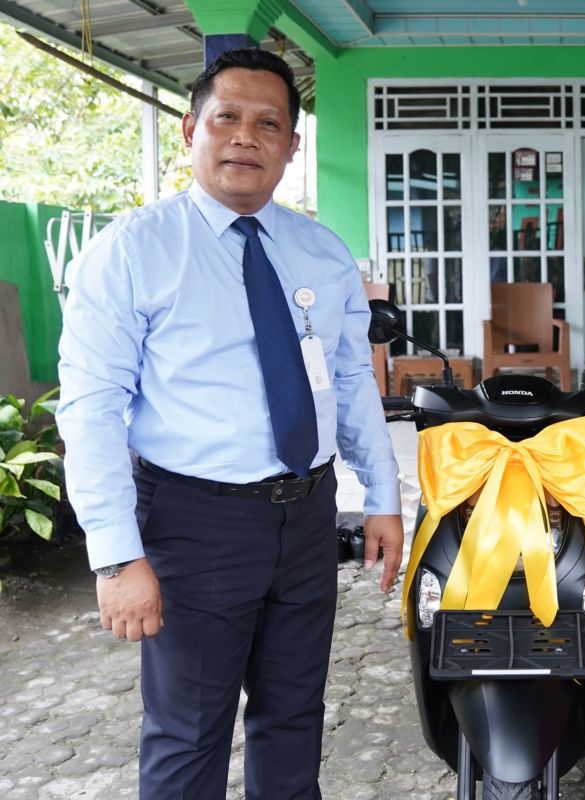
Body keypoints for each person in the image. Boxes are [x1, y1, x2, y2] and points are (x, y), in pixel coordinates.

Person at [56, 48, 405, 798]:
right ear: (191, 130)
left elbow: (349, 380)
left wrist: (381, 496)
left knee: (294, 718)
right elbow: (90, 409)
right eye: (227, 118)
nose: (246, 136)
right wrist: (116, 558)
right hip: (194, 522)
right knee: (189, 735)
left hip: (307, 517)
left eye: (268, 123)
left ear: (292, 145)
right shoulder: (131, 252)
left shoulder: (321, 252)